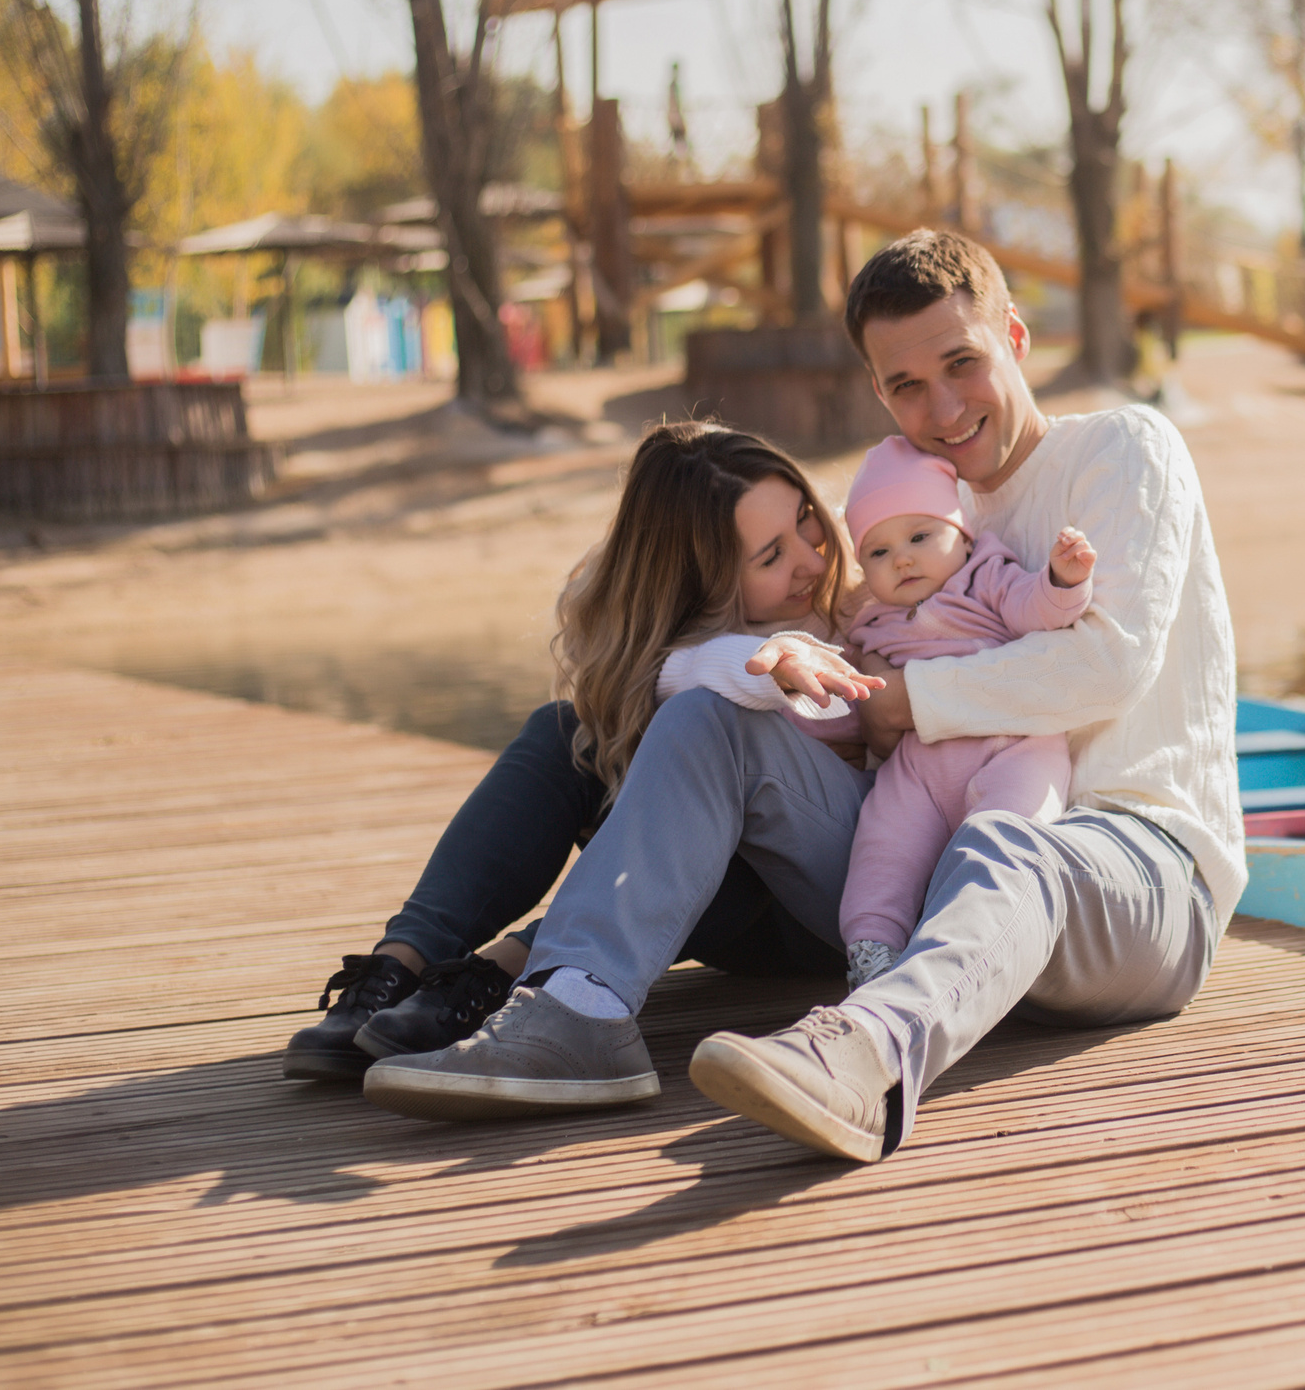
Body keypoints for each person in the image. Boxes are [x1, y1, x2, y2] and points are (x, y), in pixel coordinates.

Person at [365, 228, 1244, 1163]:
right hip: (924, 865)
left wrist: (903, 699)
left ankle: (865, 1053)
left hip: (1132, 870)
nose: (944, 407)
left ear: (1016, 338)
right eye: (907, 385)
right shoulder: (917, 505)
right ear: (878, 391)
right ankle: (579, 1009)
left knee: (1009, 842)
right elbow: (781, 659)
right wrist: (780, 668)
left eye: (963, 362)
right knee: (709, 718)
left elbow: (1107, 664)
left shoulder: (1122, 447)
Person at [279, 421, 881, 1084]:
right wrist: (756, 659)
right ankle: (400, 966)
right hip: (734, 914)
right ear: (702, 581)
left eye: (804, 520)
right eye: (771, 556)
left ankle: (498, 974)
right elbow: (682, 669)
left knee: (712, 759)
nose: (813, 559)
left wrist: (778, 665)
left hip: (845, 900)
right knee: (565, 731)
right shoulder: (681, 647)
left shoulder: (876, 591)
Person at [834, 433, 1096, 987]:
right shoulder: (871, 624)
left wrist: (1061, 580)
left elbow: (1035, 611)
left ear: (963, 533)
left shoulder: (986, 576)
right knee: (883, 844)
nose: (902, 558)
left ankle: (968, 946)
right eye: (878, 552)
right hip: (920, 768)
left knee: (1008, 835)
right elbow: (847, 697)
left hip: (1014, 748)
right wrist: (793, 694)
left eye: (920, 536)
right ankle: (872, 947)